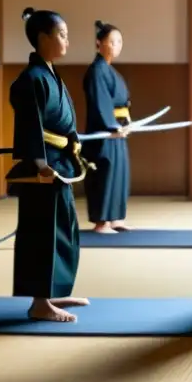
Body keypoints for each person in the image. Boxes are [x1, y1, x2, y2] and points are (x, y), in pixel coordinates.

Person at [7, 7, 89, 323]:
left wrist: (74, 142)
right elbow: (30, 126)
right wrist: (40, 163)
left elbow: (64, 120)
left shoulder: (51, 74)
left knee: (63, 229)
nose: (67, 40)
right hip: (44, 169)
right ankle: (39, 301)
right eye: (62, 34)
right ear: (43, 38)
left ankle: (52, 291)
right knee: (42, 233)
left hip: (60, 163)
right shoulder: (30, 80)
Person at [80, 20, 132, 233]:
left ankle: (115, 218)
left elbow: (123, 103)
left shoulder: (111, 72)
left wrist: (126, 123)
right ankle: (102, 221)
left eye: (119, 41)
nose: (116, 45)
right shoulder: (96, 71)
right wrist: (111, 125)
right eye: (112, 41)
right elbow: (100, 103)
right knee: (105, 173)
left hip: (116, 130)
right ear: (98, 43)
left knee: (120, 172)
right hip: (104, 133)